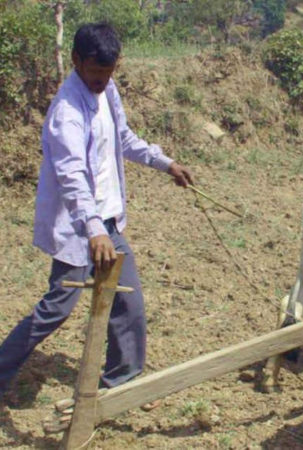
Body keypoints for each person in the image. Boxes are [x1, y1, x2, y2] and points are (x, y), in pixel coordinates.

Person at [0, 23, 194, 402]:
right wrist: (93, 231)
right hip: (79, 227)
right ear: (76, 61)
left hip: (107, 220)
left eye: (109, 72)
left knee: (130, 302)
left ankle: (120, 384)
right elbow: (71, 177)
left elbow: (124, 138)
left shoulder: (108, 90)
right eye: (95, 72)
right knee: (57, 307)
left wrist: (165, 162)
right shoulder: (66, 112)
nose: (102, 80)